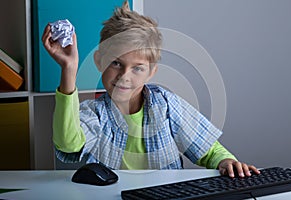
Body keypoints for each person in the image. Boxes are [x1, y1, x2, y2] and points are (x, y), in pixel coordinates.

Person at [42, 1, 260, 177]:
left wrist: (226, 161)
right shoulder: (95, 113)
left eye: (137, 68)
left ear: (151, 72)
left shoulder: (166, 104)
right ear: (99, 61)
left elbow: (207, 149)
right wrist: (69, 69)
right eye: (116, 63)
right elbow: (68, 145)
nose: (124, 77)